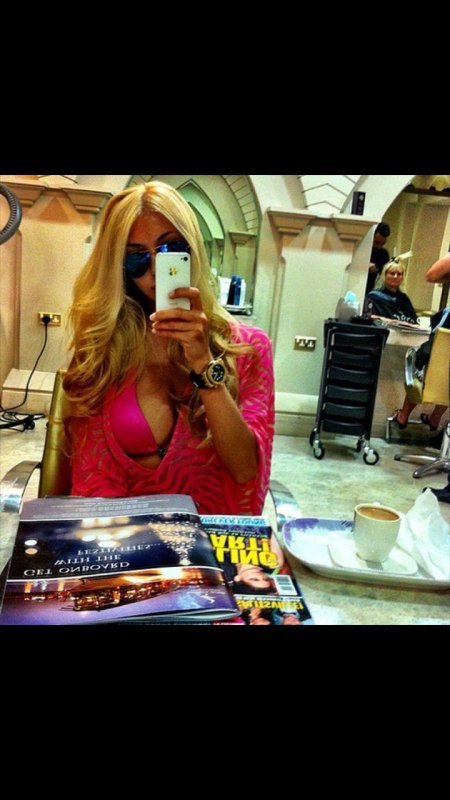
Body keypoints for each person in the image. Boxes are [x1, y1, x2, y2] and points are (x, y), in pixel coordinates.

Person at [62, 181, 275, 515]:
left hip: (209, 533)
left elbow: (245, 470)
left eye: (170, 249)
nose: (155, 271)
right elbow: (90, 472)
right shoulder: (104, 346)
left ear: (193, 250)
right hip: (120, 530)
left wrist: (204, 364)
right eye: (136, 258)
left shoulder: (248, 348)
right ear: (119, 266)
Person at [364, 257, 418, 325]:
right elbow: (368, 317)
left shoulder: (404, 298)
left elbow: (414, 321)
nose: (395, 277)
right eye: (392, 273)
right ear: (385, 275)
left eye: (399, 274)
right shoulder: (374, 297)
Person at [365, 222, 391, 295]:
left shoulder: (383, 254)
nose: (379, 247)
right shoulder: (360, 249)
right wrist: (364, 265)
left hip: (369, 292)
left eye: (382, 244)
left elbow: (384, 278)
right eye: (376, 242)